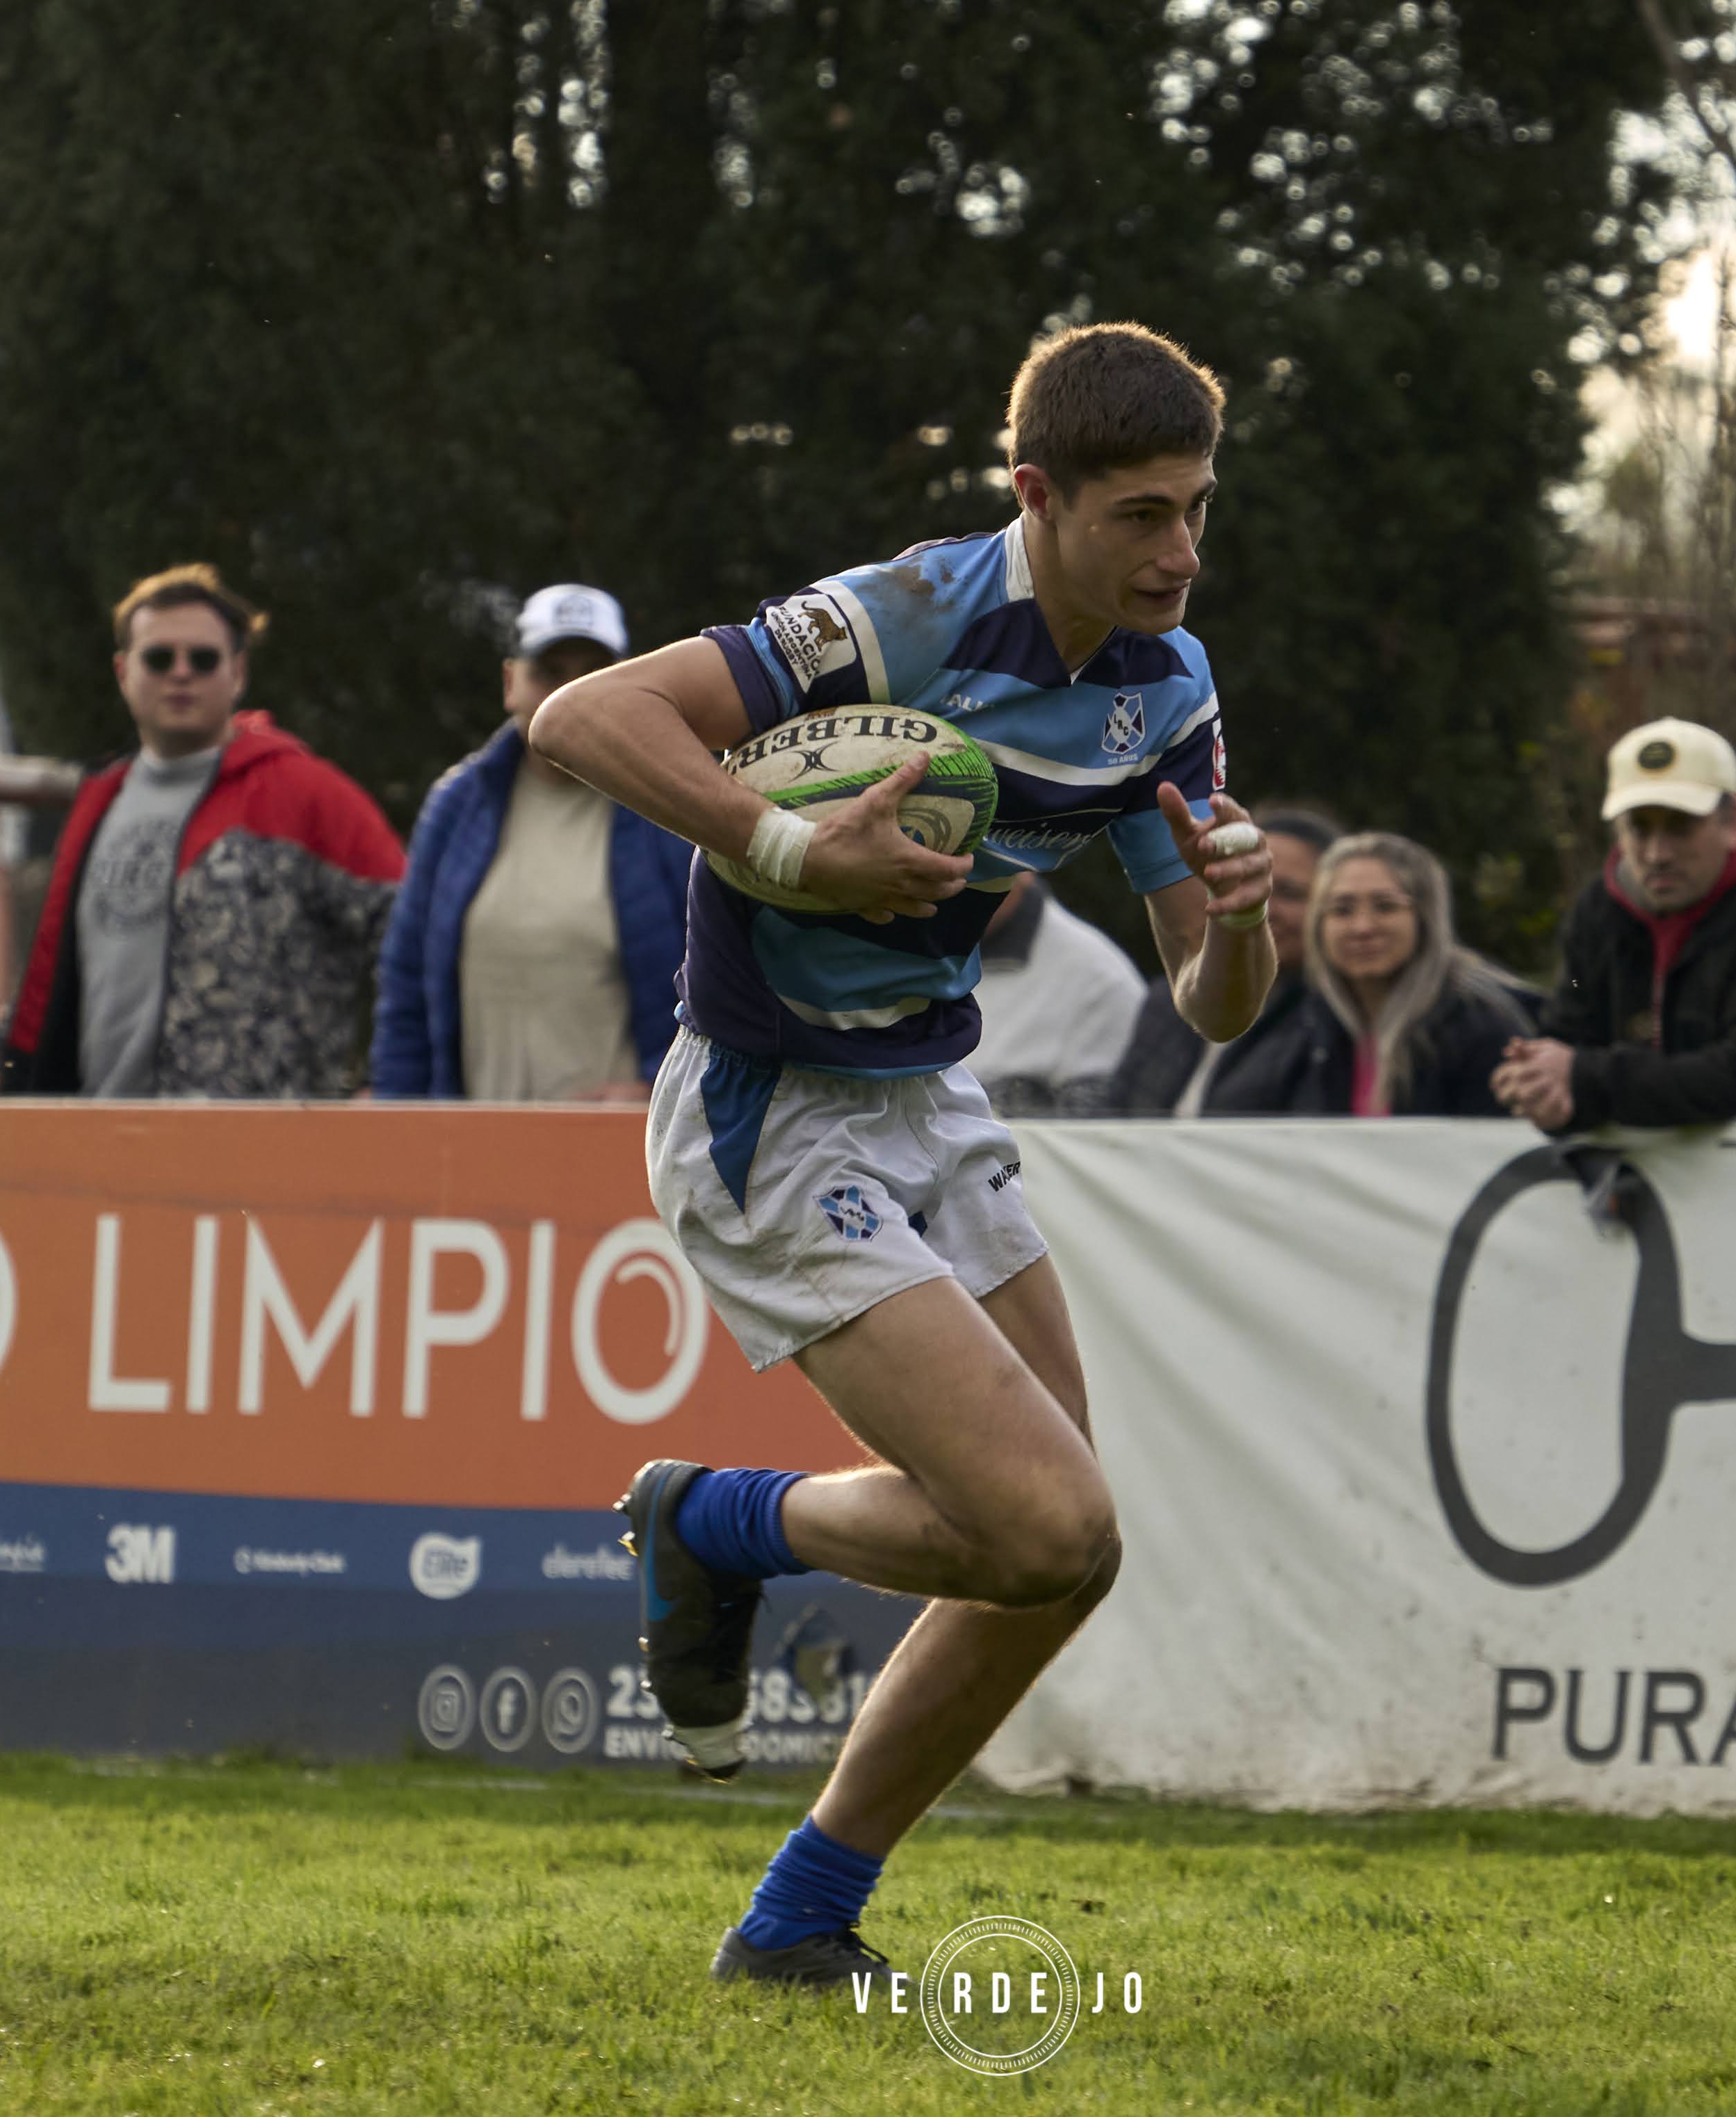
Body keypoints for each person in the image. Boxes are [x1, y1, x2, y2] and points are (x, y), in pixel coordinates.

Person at [528, 321, 1274, 1988]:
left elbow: (1210, 1001)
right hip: (768, 1108)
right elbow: (583, 717)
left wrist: (1241, 921)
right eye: (1142, 515)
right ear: (1037, 495)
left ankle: (798, 1920)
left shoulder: (1167, 686)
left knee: (1061, 1557)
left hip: (930, 1101)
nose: (1180, 553)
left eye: (1197, 509)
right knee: (1045, 1527)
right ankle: (719, 1522)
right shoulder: (898, 614)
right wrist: (793, 847)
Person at [2, 566, 404, 1099]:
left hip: (263, 1140)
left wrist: (391, 1083)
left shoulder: (307, 795)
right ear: (123, 671)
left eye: (204, 658)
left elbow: (417, 936)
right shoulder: (97, 804)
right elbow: (51, 984)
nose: (181, 673)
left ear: (238, 672)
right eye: (159, 658)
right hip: (102, 1134)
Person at [371, 583, 690, 1103]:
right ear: (510, 684)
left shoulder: (673, 807)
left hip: (622, 1143)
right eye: (549, 673)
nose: (569, 696)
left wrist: (655, 1087)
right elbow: (406, 986)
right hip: (471, 1140)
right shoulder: (456, 806)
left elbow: (728, 980)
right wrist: (397, 1120)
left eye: (594, 674)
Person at [1492, 717, 1736, 1131]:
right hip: (1663, 1164)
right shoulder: (1599, 911)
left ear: (1732, 825)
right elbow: (1572, 1018)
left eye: (1680, 827)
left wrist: (1586, 1079)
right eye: (1638, 829)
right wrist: (1540, 1083)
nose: (1657, 854)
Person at [1213, 831, 1536, 1116]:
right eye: (1342, 910)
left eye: (1385, 906)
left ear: (1425, 918)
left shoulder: (1481, 1026)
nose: (1363, 927)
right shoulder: (1306, 1023)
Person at [1105, 804, 1339, 1114]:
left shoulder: (1329, 1023)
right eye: (1241, 881)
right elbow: (1115, 1115)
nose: (1259, 905)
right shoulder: (1167, 1001)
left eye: (1288, 892)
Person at [965, 873, 1150, 1116]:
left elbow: (1096, 1134)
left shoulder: (1100, 983)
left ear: (1024, 863)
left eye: (972, 861)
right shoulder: (924, 950)